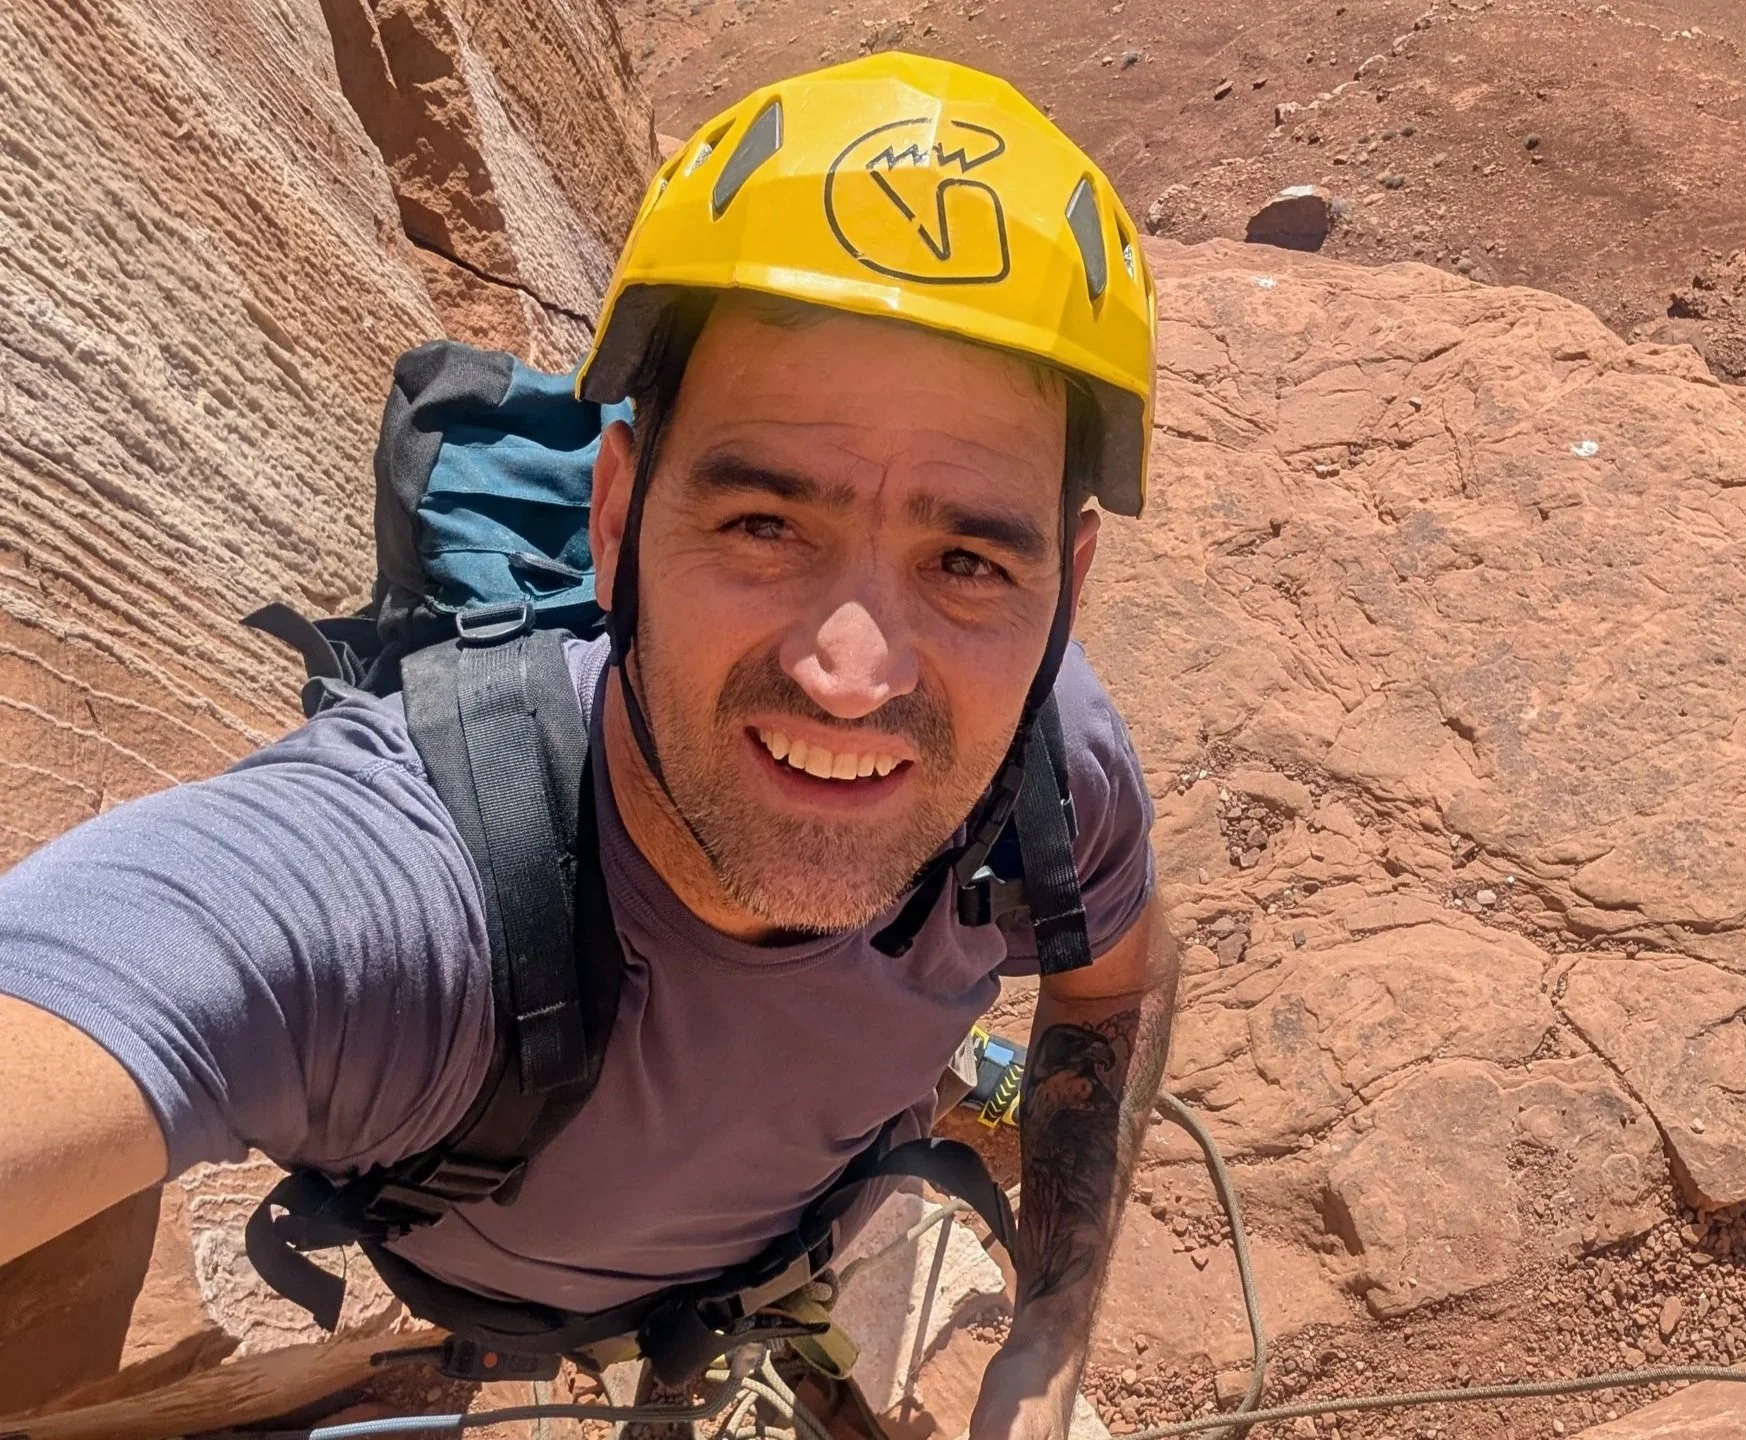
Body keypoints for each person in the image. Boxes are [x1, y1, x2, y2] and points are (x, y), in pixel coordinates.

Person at [0, 52, 1176, 1440]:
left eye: (968, 560)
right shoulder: (407, 889)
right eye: (762, 524)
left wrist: (1049, 1342)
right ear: (615, 520)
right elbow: (141, 965)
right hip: (487, 1314)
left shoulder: (1053, 761)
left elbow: (1115, 986)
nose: (853, 678)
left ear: (1066, 590)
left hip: (807, 1229)